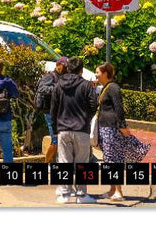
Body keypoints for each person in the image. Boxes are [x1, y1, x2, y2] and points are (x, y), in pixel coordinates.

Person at [95, 62, 147, 201]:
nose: (96, 75)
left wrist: (122, 126)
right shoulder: (106, 88)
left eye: (98, 73)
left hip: (112, 128)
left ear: (106, 73)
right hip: (106, 127)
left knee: (113, 160)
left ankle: (118, 191)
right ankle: (112, 190)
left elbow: (119, 108)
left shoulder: (113, 88)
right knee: (109, 159)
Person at [50, 56, 99, 204]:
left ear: (68, 68)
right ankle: (81, 194)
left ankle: (65, 194)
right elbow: (93, 105)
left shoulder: (59, 85)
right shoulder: (85, 85)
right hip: (81, 128)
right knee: (82, 162)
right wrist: (86, 118)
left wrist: (55, 127)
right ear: (81, 70)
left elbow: (53, 108)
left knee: (64, 162)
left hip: (63, 128)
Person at [35, 57, 67, 163]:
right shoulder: (50, 76)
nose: (66, 68)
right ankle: (46, 163)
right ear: (58, 65)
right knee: (55, 141)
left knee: (62, 140)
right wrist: (56, 88)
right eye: (64, 66)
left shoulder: (64, 77)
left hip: (60, 113)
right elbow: (41, 89)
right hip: (50, 112)